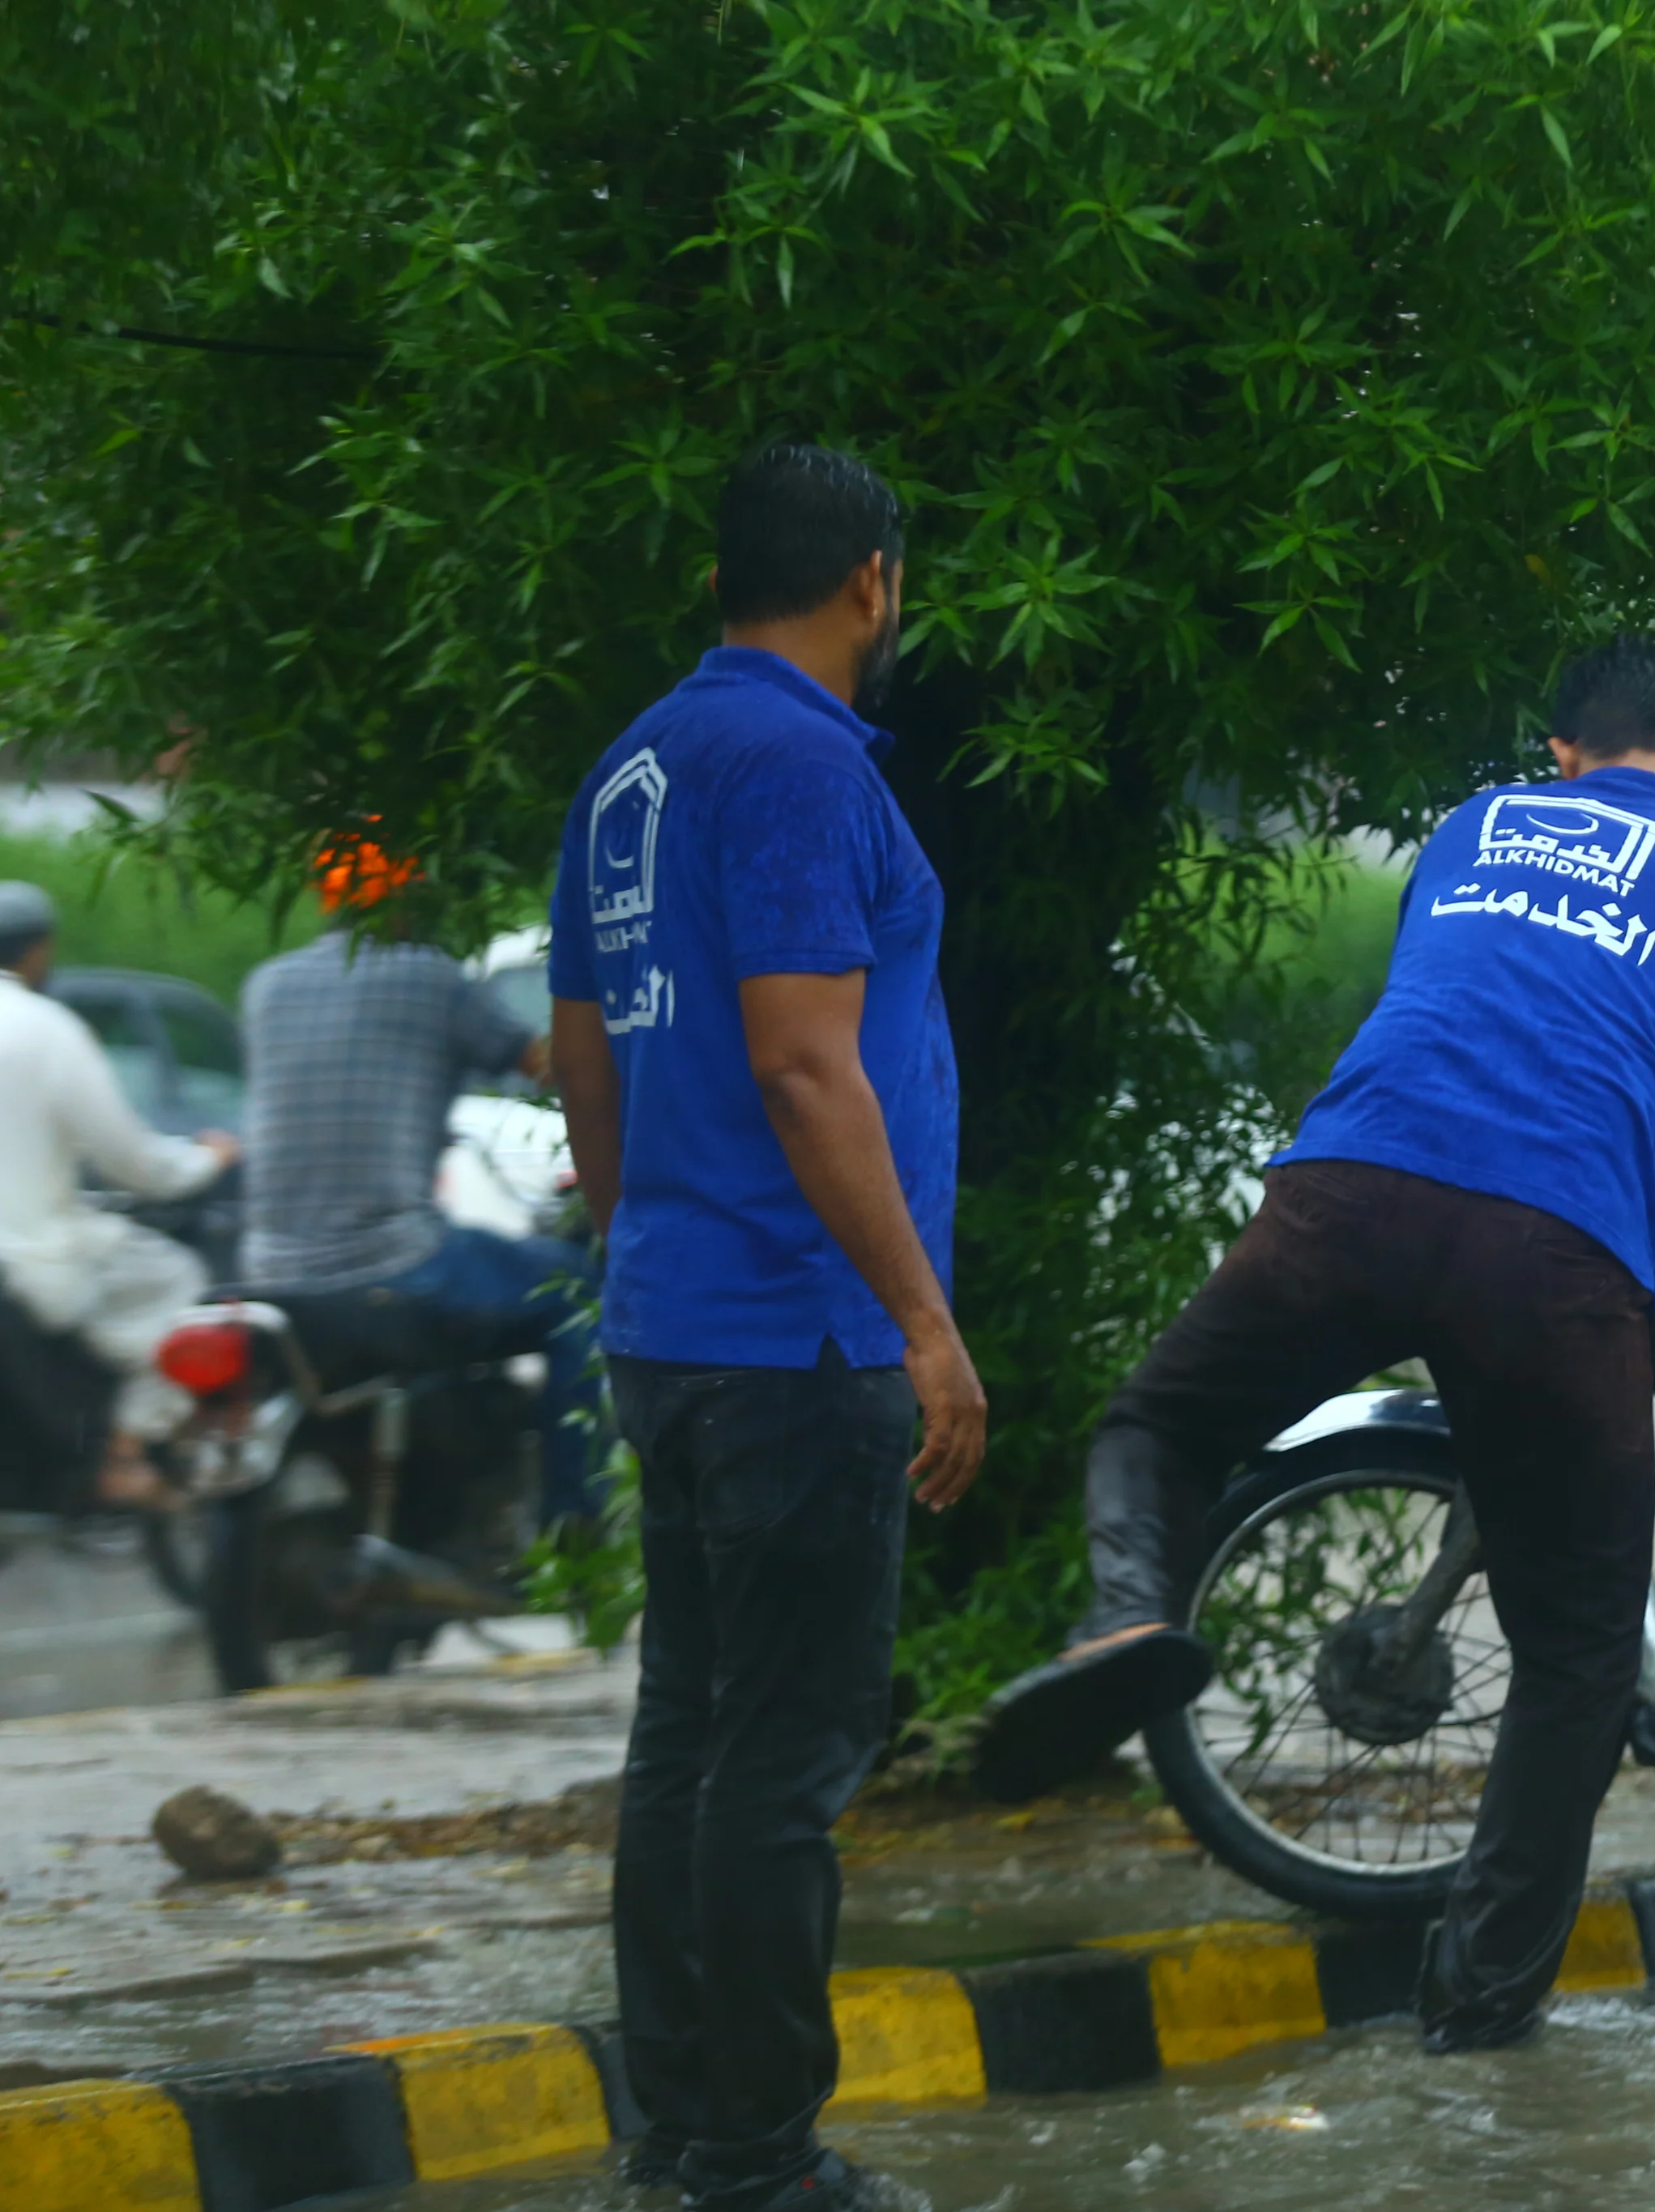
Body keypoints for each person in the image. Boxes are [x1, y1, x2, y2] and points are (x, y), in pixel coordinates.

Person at [974, 633, 1655, 2050]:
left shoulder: (1474, 824)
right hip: (1555, 1257)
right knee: (1579, 1655)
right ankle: (1477, 2018)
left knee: (1157, 1428)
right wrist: (1632, 1310)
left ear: (1561, 751)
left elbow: (1462, 1000)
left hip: (1347, 1190)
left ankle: (1126, 1616)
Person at [546, 442, 981, 2212]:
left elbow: (583, 1058)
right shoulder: (798, 765)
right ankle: (760, 2157)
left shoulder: (632, 763)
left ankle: (676, 2130)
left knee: (692, 1741)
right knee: (785, 1761)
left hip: (671, 1319)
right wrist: (922, 1324)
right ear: (872, 578)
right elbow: (808, 1063)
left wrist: (643, 1235)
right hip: (798, 1337)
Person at [239, 846, 602, 1522]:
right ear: (410, 898)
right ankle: (574, 1529)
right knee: (579, 1293)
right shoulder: (431, 978)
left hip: (271, 1271)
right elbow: (553, 1067)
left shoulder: (266, 986)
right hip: (396, 1264)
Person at [0, 881, 236, 1501]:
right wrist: (204, 1160)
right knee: (188, 1295)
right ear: (38, 951)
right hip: (32, 1261)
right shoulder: (46, 1029)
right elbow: (131, 1160)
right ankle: (126, 1451)